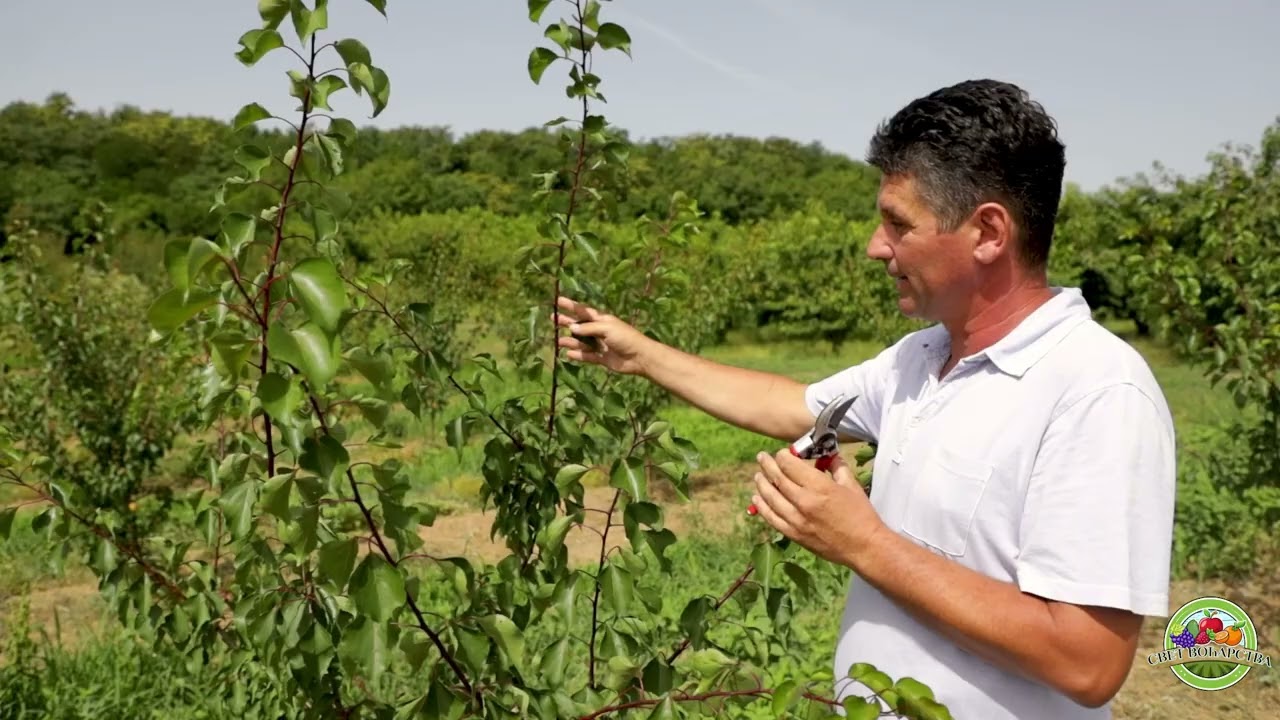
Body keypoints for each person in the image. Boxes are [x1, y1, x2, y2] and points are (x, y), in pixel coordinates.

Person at [552, 78, 1176, 719]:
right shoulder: (922, 357)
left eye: (898, 224)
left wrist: (863, 543)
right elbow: (788, 404)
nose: (875, 246)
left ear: (988, 232)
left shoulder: (1096, 391)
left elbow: (1088, 662)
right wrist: (641, 355)